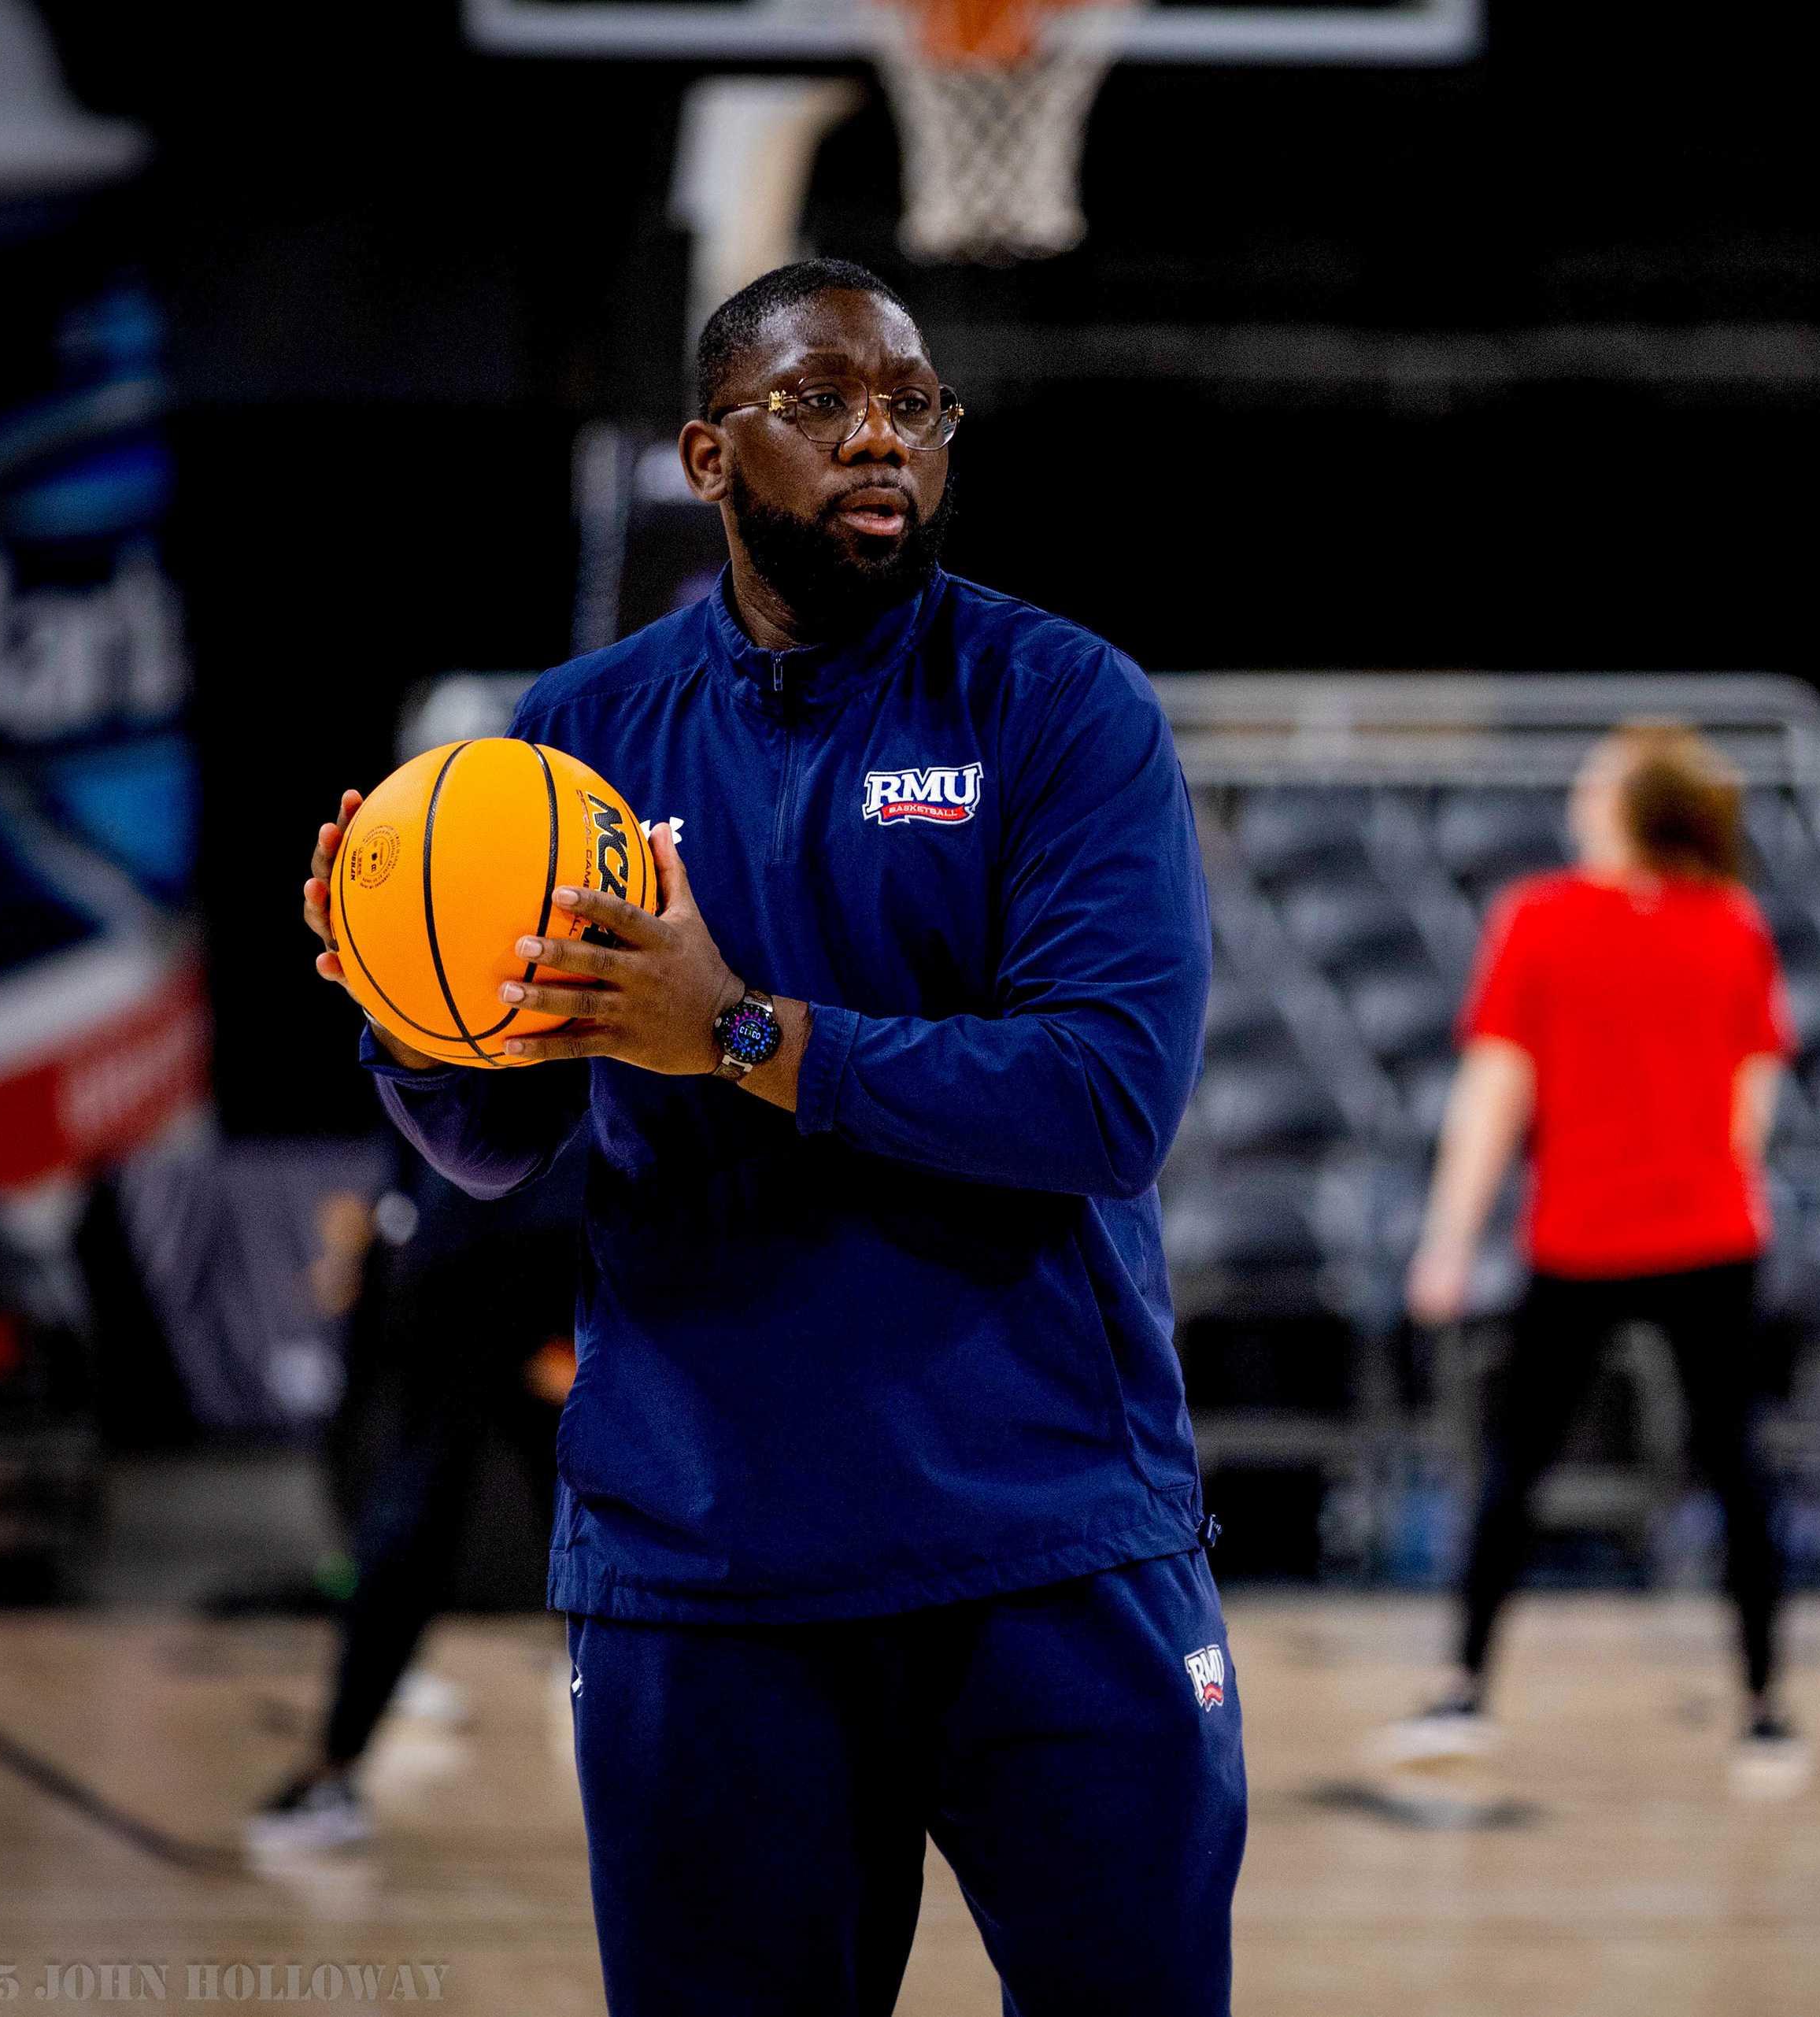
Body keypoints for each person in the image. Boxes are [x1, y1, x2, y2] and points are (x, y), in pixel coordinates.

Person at [297, 259, 1235, 2015]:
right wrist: (403, 1007)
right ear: (709, 456)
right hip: (705, 1568)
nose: (881, 437)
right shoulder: (575, 739)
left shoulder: (1061, 705)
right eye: (821, 404)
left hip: (1047, 1545)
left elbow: (1106, 1100)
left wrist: (740, 1034)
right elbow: (493, 1139)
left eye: (913, 405)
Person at [1396, 724, 1800, 1774]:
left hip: (1580, 1235)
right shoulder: (1735, 923)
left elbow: (1493, 1096)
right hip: (1712, 1234)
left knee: (1517, 1466)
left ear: (1625, 805)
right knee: (1737, 1468)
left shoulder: (1538, 917)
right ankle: (1766, 1711)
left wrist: (1447, 1242)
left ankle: (1461, 1692)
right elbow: (1754, 1104)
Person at [246, 1131, 586, 1856]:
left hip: (497, 1230)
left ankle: (334, 1769)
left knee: (430, 1496)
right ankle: (336, 1767)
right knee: (552, 1493)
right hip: (516, 1226)